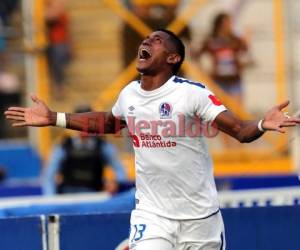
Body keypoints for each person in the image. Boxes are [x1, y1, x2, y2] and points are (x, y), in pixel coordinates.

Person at [4, 29, 300, 250]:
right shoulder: (130, 94)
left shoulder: (191, 93)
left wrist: (262, 123)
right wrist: (55, 117)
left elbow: (239, 130)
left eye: (156, 40)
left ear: (173, 58)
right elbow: (111, 122)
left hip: (200, 218)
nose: (146, 42)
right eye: (145, 39)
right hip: (153, 214)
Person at [43, 105, 127, 195]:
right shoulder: (63, 147)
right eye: (79, 122)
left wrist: (116, 182)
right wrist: (51, 199)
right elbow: (49, 176)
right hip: (67, 197)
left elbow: (120, 170)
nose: (83, 126)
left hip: (95, 196)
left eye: (88, 122)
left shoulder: (103, 147)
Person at [192, 12, 251, 105]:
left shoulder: (235, 40)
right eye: (228, 23)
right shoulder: (211, 41)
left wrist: (247, 40)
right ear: (220, 24)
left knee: (237, 109)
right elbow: (196, 54)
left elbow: (245, 52)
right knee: (222, 110)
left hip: (234, 79)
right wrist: (204, 70)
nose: (230, 25)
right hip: (219, 81)